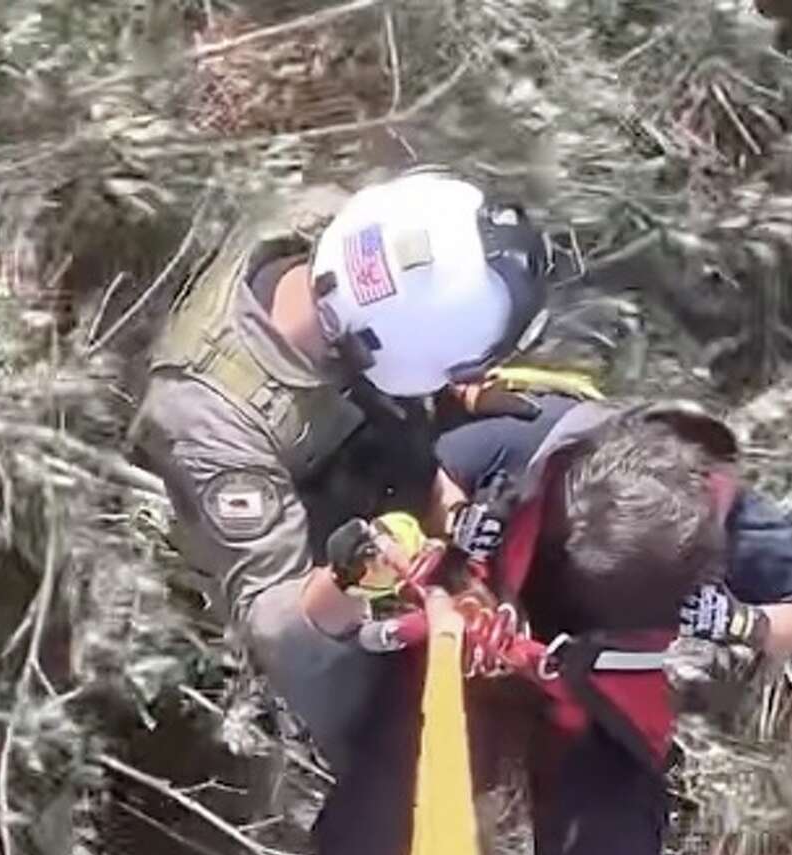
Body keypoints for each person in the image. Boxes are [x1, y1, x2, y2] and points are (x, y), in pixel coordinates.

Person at [317, 395, 792, 855]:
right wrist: (458, 523)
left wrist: (741, 622)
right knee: (392, 785)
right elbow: (447, 469)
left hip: (602, 695)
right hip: (489, 645)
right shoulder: (532, 440)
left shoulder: (731, 516)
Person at [131, 168, 559, 771]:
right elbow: (272, 619)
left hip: (362, 441)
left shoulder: (343, 237)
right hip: (297, 554)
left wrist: (457, 391)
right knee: (386, 727)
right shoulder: (211, 420)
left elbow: (405, 319)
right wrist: (353, 579)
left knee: (543, 431)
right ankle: (389, 766)